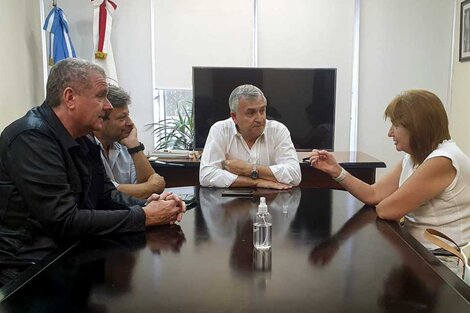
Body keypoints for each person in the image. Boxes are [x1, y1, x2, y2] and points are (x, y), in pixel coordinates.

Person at [0, 58, 185, 266]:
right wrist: (144, 216)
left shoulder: (84, 136)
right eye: (101, 96)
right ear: (70, 98)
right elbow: (64, 221)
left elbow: (105, 195)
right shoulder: (31, 137)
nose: (107, 106)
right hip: (28, 269)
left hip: (70, 253)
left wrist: (152, 205)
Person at [307, 89, 470, 249]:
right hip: (419, 251)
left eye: (395, 125)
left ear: (416, 127)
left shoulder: (443, 160)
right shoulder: (414, 158)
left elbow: (387, 210)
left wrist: (390, 201)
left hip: (443, 264)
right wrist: (336, 171)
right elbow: (373, 194)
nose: (390, 133)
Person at [199, 84, 301, 189]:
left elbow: (295, 175)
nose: (260, 118)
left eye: (262, 111)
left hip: (271, 201)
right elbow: (207, 176)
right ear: (234, 117)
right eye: (251, 113)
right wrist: (257, 182)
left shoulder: (278, 130)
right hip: (230, 203)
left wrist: (250, 169)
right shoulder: (220, 130)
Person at [94, 84, 165, 199]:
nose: (130, 123)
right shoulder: (86, 147)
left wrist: (134, 146)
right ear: (101, 120)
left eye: (128, 116)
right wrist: (153, 187)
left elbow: (148, 191)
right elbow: (107, 193)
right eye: (122, 118)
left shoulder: (123, 144)